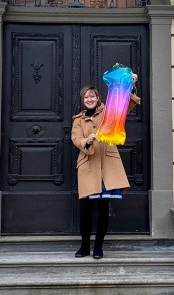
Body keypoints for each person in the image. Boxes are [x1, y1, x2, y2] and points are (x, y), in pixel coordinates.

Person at [71, 73, 139, 259]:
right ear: (83, 100)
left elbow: (126, 105)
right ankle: (85, 246)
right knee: (85, 210)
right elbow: (76, 139)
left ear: (98, 98)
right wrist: (87, 140)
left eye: (92, 96)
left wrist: (130, 84)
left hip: (107, 165)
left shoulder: (109, 111)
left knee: (103, 208)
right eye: (86, 97)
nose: (90, 99)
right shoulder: (78, 119)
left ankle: (98, 247)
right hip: (88, 166)